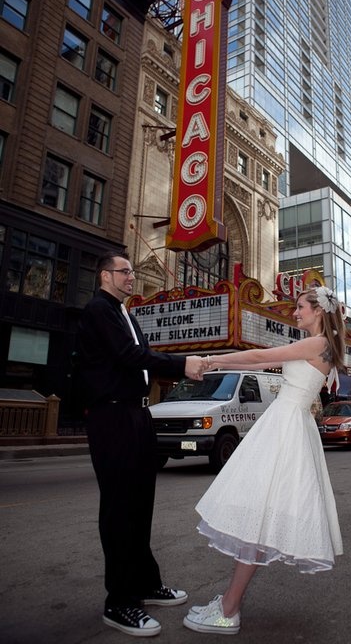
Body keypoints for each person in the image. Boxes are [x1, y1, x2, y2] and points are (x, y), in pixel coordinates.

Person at [183, 286, 346, 635]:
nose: (295, 313)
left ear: (318, 311)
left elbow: (260, 358)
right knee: (255, 517)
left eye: (300, 307)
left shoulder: (318, 343)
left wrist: (212, 361)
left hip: (284, 427)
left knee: (256, 516)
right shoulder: (323, 346)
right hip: (288, 424)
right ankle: (230, 602)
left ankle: (228, 609)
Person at [75, 251, 206, 637]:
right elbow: (130, 356)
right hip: (111, 417)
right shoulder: (99, 311)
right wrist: (183, 365)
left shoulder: (126, 314)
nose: (131, 277)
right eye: (125, 271)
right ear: (104, 276)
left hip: (137, 415)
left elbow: (141, 361)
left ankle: (145, 584)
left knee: (140, 506)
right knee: (118, 510)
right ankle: (119, 602)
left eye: (133, 272)